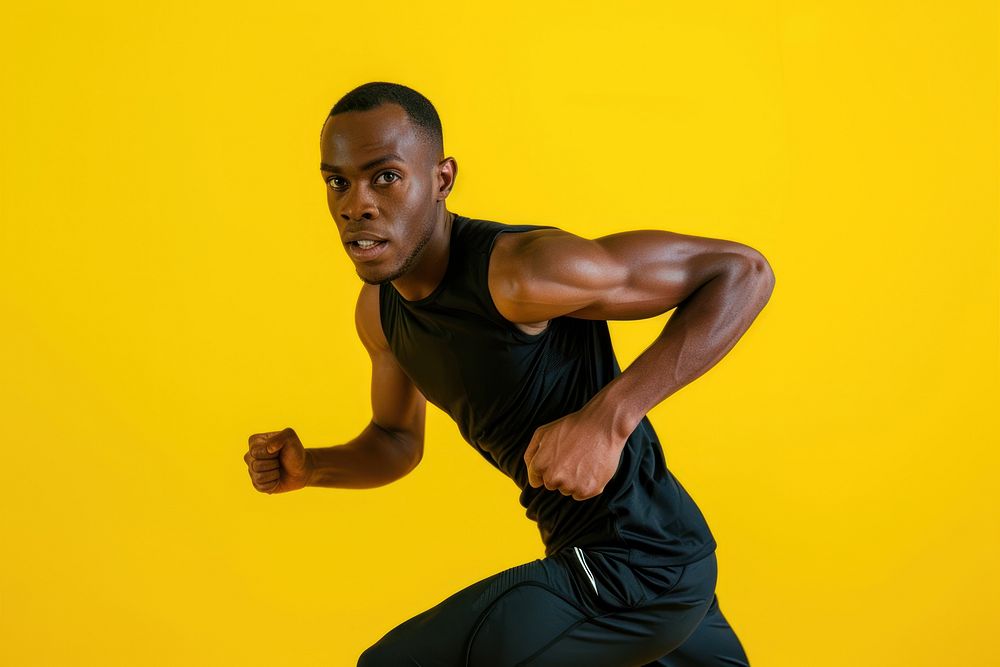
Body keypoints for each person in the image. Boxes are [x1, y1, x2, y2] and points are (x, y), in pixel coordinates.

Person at [244, 81, 773, 666]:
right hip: (629, 558)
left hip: (637, 565)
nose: (356, 203)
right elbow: (396, 442)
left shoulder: (523, 273)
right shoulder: (380, 313)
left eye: (385, 176)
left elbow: (742, 273)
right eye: (337, 181)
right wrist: (314, 466)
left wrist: (608, 419)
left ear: (442, 179)